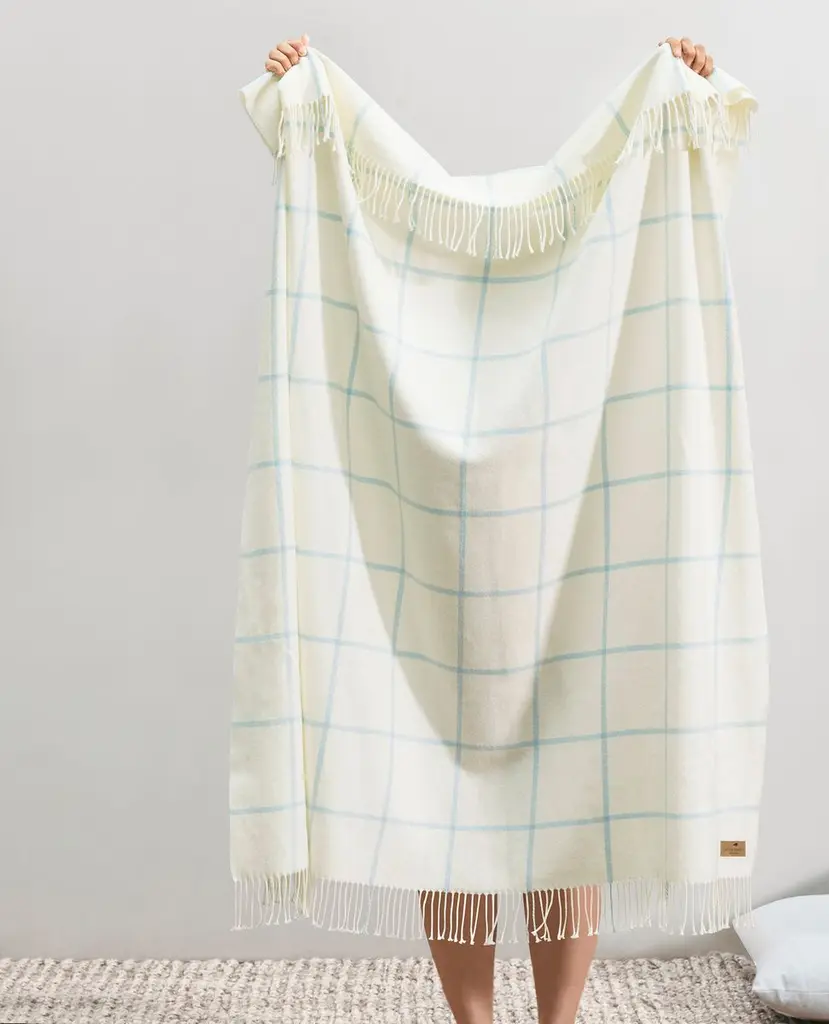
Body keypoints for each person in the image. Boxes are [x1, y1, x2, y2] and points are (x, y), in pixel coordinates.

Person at [257, 31, 717, 1024]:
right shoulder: (403, 262)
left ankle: (557, 1022)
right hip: (437, 542)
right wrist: (304, 102)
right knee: (446, 802)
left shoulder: (589, 257)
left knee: (570, 793)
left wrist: (684, 93)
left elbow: (658, 184)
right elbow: (331, 192)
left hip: (567, 534)